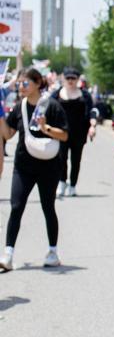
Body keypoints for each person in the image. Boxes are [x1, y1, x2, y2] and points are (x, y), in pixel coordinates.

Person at [0, 68, 70, 270]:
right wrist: (1, 116)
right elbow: (8, 134)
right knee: (16, 206)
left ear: (38, 83)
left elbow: (64, 135)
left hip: (48, 166)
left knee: (48, 207)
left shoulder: (52, 106)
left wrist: (46, 128)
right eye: (20, 83)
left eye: (25, 83)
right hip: (23, 166)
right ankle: (8, 254)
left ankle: (53, 251)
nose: (21, 86)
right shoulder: (19, 106)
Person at [54, 67, 97, 198]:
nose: (71, 80)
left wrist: (92, 126)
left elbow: (92, 111)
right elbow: (47, 108)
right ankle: (62, 182)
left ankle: (72, 185)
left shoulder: (85, 95)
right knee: (61, 159)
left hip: (79, 132)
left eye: (73, 78)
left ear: (78, 79)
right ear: (63, 79)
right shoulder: (56, 94)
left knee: (76, 160)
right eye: (68, 78)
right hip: (61, 132)